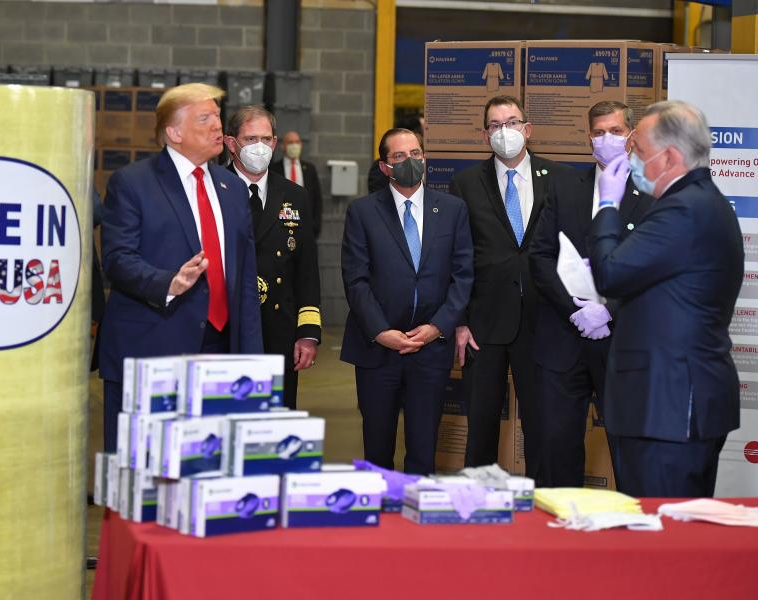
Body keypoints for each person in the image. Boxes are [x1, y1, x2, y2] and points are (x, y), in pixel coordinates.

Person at [588, 100, 744, 497]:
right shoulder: (703, 204)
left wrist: (607, 202)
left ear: (670, 156)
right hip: (670, 402)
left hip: (668, 406)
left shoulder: (682, 211)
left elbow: (609, 273)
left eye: (638, 151)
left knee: (663, 541)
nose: (630, 161)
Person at [98, 83, 263, 452]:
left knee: (205, 467)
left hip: (221, 350)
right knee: (145, 473)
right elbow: (116, 258)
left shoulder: (231, 189)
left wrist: (251, 356)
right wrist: (169, 283)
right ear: (173, 133)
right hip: (155, 348)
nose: (217, 126)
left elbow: (245, 279)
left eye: (217, 116)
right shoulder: (133, 183)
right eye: (204, 118)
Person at [528, 101, 652, 487]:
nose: (606, 140)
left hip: (623, 343)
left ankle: (634, 532)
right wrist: (575, 312)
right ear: (588, 138)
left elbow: (654, 265)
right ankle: (561, 535)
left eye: (615, 131)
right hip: (565, 339)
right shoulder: (565, 186)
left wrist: (608, 310)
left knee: (628, 447)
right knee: (557, 445)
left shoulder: (651, 191)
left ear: (631, 137)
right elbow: (540, 256)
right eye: (598, 133)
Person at [448, 95, 568, 478]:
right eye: (496, 125)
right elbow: (458, 258)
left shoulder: (560, 179)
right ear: (486, 135)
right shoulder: (465, 184)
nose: (505, 132)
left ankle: (541, 501)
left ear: (527, 129)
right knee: (481, 423)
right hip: (485, 324)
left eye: (512, 122)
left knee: (543, 424)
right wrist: (461, 322)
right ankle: (478, 504)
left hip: (543, 321)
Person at [341, 128, 474, 475]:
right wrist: (380, 331)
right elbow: (356, 280)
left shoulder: (452, 209)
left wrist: (438, 327)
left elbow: (463, 276)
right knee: (377, 448)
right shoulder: (363, 212)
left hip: (430, 347)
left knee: (423, 447)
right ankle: (379, 519)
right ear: (385, 166)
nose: (410, 162)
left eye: (416, 154)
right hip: (378, 348)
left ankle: (417, 519)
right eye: (399, 156)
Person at [223, 106, 322, 409]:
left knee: (274, 422)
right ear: (231, 143)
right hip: (227, 331)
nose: (260, 147)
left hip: (279, 331)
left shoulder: (294, 196)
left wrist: (307, 332)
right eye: (251, 138)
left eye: (266, 139)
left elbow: (306, 270)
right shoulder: (214, 188)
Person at [271, 131, 323, 237]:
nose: (294, 145)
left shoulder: (309, 169)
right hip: (282, 225)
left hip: (306, 225)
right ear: (282, 146)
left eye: (297, 142)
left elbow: (317, 199)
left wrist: (315, 225)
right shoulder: (273, 169)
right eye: (290, 142)